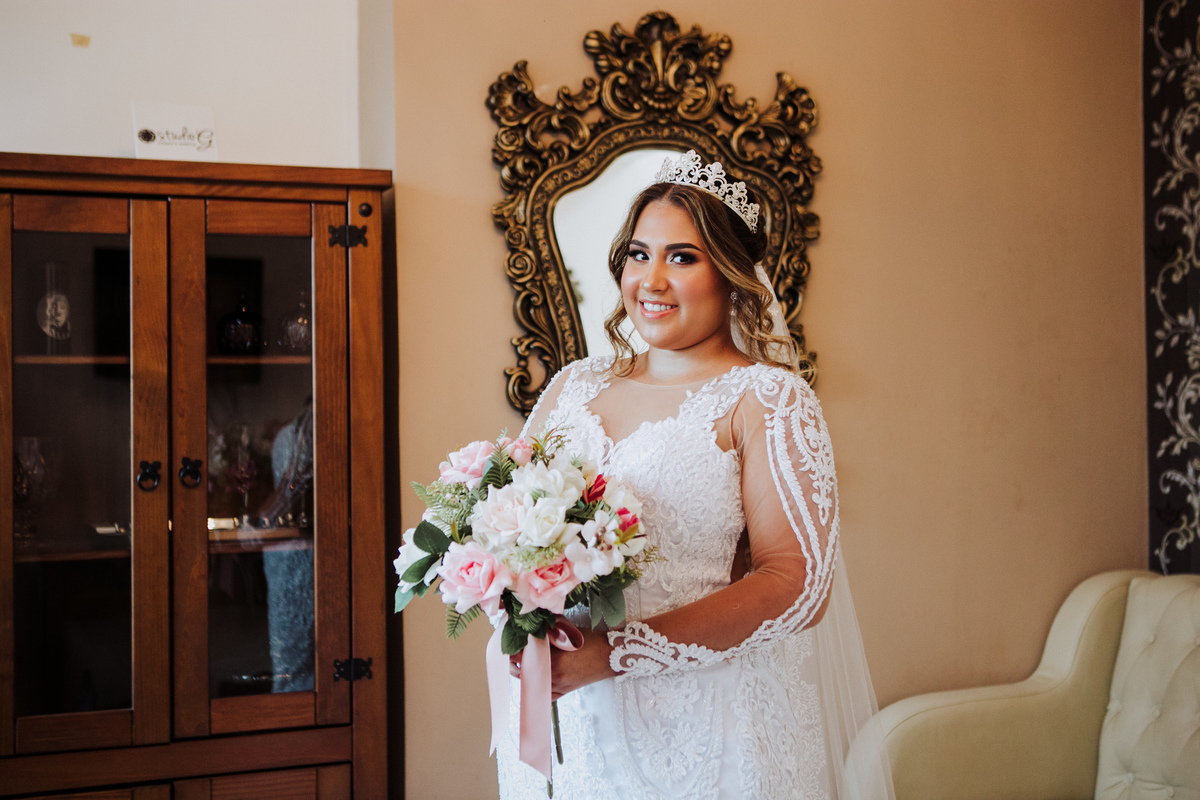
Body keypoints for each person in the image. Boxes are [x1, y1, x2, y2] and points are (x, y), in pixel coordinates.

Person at [497, 151, 894, 800]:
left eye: (682, 257)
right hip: (574, 727)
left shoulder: (767, 399)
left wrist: (615, 653)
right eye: (638, 253)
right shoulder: (574, 385)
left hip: (708, 734)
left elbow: (796, 583)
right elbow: (511, 515)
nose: (651, 279)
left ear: (731, 275)